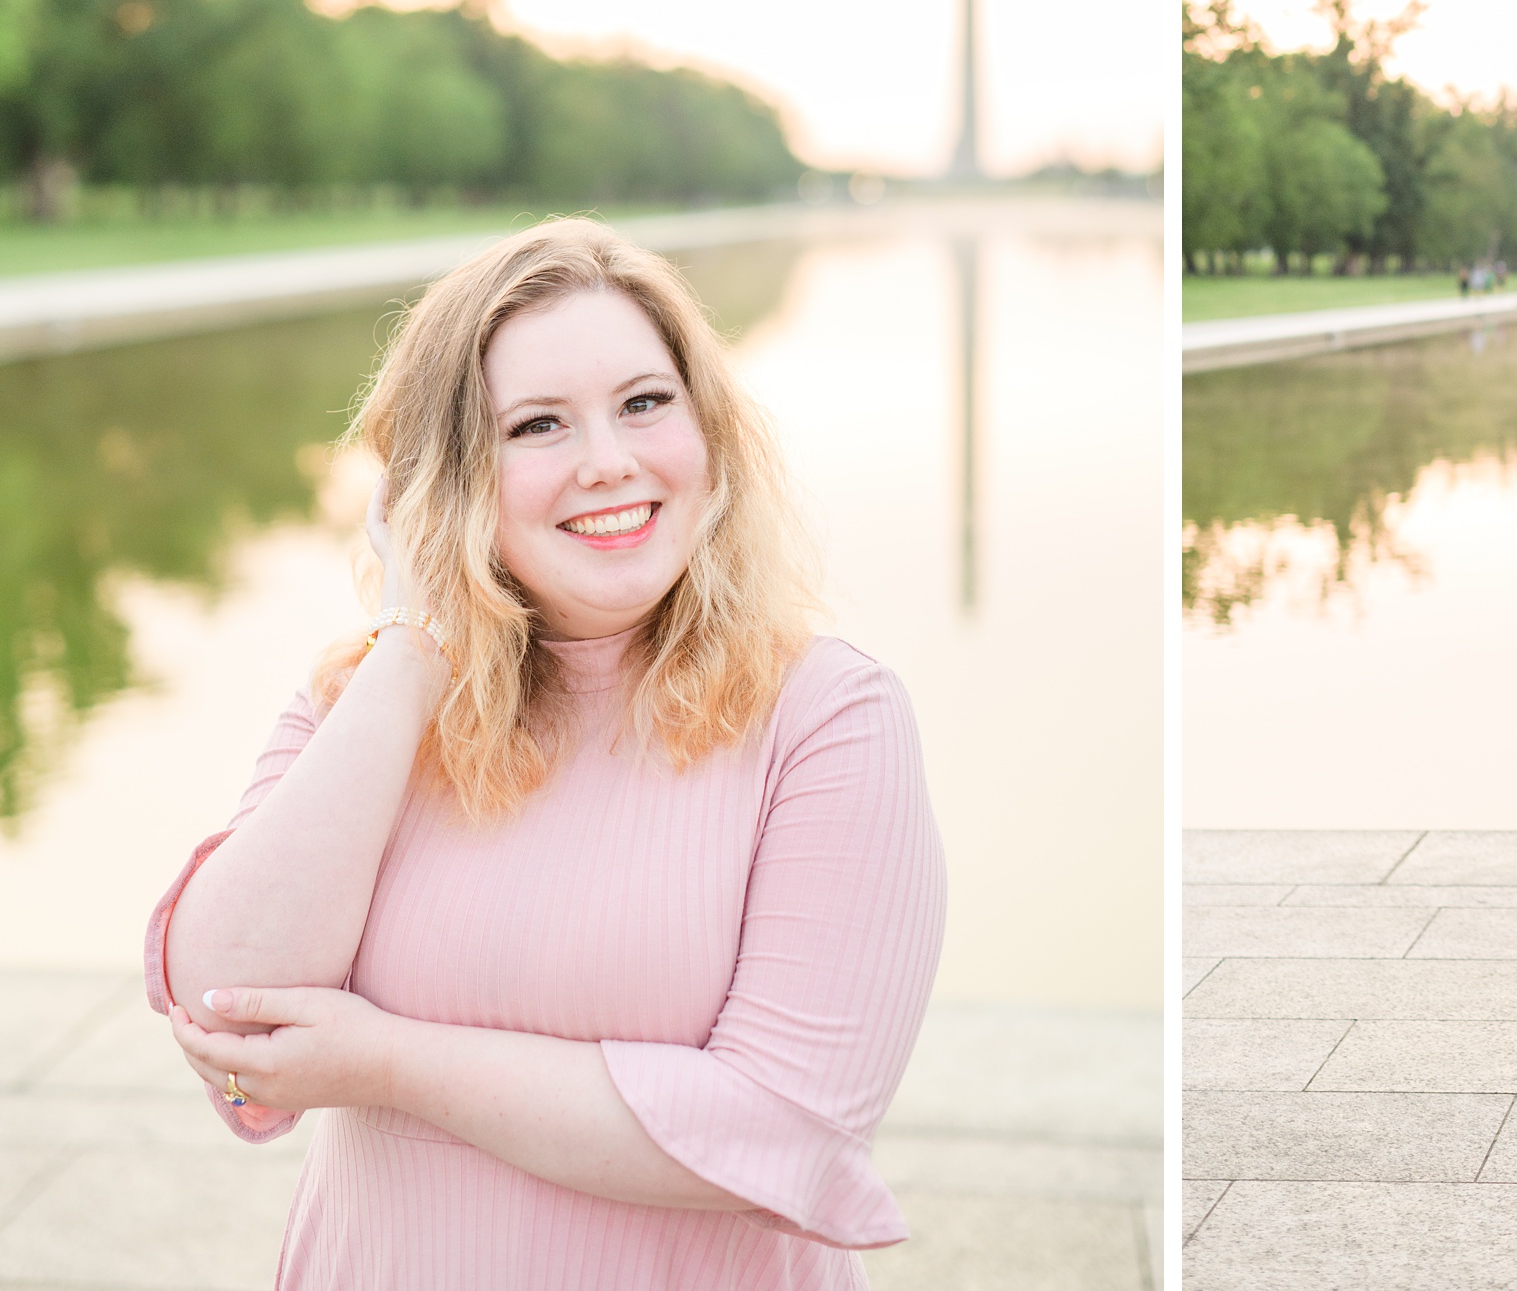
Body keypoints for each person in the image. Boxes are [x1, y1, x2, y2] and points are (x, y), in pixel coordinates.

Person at [149, 219, 946, 1289]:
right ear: (448, 478)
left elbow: (782, 1126)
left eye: (644, 401)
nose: (608, 461)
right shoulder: (368, 692)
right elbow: (226, 1002)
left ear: (710, 428)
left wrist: (383, 1060)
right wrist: (417, 642)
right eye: (536, 425)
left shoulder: (831, 716)